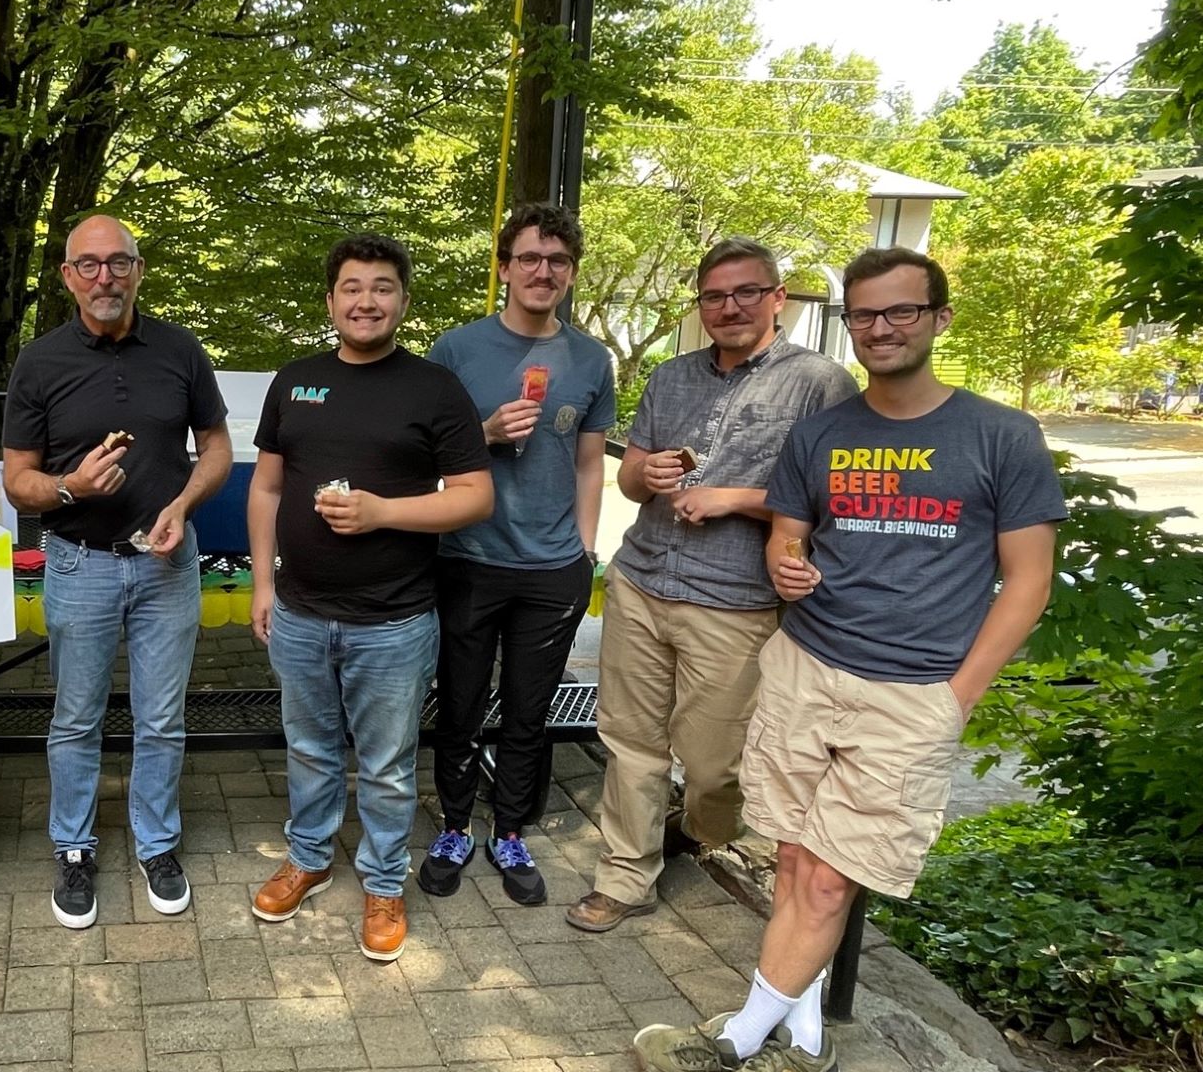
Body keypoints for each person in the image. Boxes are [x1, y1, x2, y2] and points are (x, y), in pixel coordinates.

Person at [632, 246, 1064, 1072]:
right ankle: (807, 1047)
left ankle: (740, 1034)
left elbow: (1029, 581)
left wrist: (956, 697)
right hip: (806, 667)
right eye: (866, 313)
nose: (882, 328)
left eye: (902, 311)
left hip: (912, 692)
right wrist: (786, 567)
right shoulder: (825, 432)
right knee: (797, 860)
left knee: (832, 877)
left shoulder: (1000, 435)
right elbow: (788, 533)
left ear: (939, 317)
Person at [566, 238, 859, 934]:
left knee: (714, 764)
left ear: (777, 297)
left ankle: (703, 829)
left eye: (746, 292)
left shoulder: (820, 384)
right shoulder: (671, 377)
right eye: (714, 296)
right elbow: (630, 478)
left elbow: (835, 497)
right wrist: (647, 474)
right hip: (642, 580)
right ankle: (626, 875)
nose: (729, 307)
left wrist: (734, 498)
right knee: (630, 741)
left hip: (735, 600)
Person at [248, 233, 493, 962]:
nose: (366, 301)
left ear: (403, 301)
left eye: (382, 287)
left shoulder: (434, 388)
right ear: (330, 301)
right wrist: (262, 583)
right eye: (352, 288)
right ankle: (310, 857)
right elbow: (266, 487)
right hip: (299, 612)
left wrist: (383, 512)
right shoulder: (295, 381)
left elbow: (475, 497)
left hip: (394, 621)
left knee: (386, 765)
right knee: (309, 749)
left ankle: (384, 882)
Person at [2, 214, 232, 929]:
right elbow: (17, 482)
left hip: (167, 564)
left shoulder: (180, 349)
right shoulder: (39, 361)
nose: (106, 277)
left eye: (119, 262)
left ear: (138, 270)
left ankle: (156, 844)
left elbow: (217, 448)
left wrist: (184, 504)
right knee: (76, 718)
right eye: (90, 265)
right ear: (68, 277)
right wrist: (71, 487)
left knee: (161, 718)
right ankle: (73, 847)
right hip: (80, 563)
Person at [418, 202, 614, 906]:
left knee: (531, 712)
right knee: (460, 704)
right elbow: (421, 455)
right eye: (528, 257)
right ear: (504, 268)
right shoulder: (456, 350)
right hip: (467, 557)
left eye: (557, 261)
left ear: (571, 274)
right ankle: (454, 826)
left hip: (553, 568)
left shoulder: (590, 359)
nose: (542, 271)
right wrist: (484, 433)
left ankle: (509, 830)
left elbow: (590, 463)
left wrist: (584, 551)